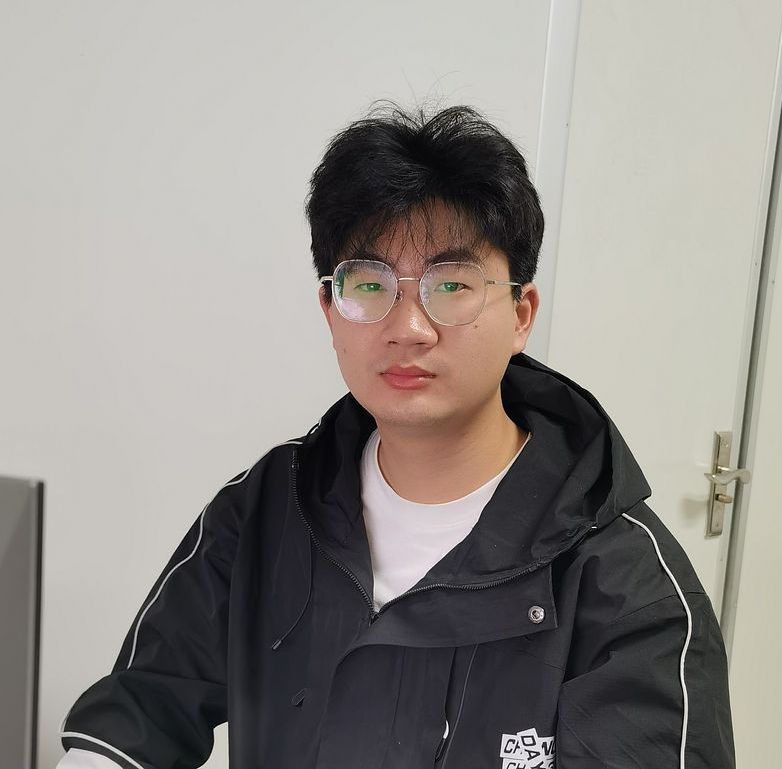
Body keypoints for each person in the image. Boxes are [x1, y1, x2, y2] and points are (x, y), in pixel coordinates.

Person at [57, 104, 735, 769]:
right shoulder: (267, 508)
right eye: (369, 283)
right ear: (330, 309)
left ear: (521, 313)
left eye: (451, 284)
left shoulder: (627, 581)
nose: (408, 328)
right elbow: (142, 710)